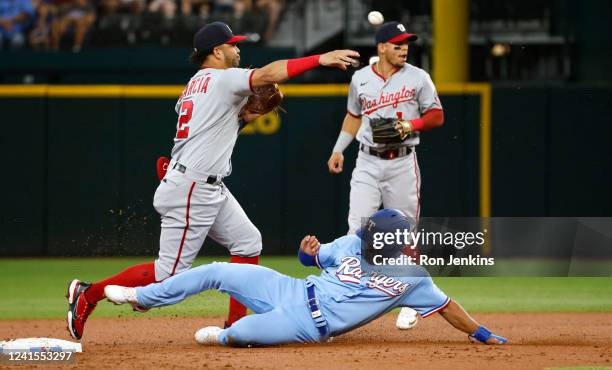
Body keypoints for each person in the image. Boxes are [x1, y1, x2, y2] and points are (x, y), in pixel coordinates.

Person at [66, 20, 360, 340]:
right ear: (217, 51)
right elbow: (270, 74)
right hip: (193, 187)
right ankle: (88, 294)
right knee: (168, 274)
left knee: (248, 242)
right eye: (233, 45)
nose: (238, 49)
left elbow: (223, 124)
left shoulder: (194, 85)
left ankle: (236, 327)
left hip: (202, 183)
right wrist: (320, 58)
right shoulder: (223, 80)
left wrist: (253, 112)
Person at [104, 209, 507, 347]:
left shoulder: (412, 276)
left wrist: (482, 333)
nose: (364, 243)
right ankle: (144, 297)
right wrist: (307, 252)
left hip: (306, 324)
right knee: (218, 271)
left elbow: (447, 306)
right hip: (292, 288)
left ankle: (224, 335)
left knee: (241, 333)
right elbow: (307, 261)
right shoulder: (352, 243)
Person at [326, 21, 445, 331]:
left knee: (406, 232)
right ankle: (345, 294)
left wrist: (411, 126)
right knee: (356, 228)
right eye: (397, 43)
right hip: (367, 160)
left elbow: (436, 115)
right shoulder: (360, 79)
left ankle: (410, 300)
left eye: (406, 43)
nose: (404, 48)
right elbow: (354, 116)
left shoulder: (419, 77)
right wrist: (339, 150)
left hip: (403, 162)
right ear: (381, 47)